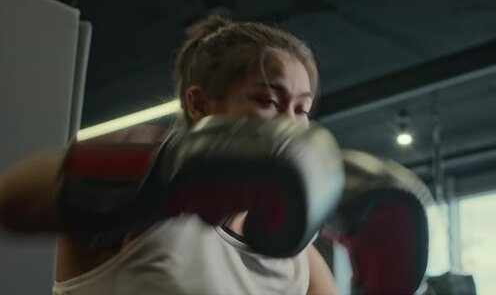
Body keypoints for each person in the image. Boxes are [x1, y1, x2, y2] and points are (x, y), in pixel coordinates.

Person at [0, 15, 338, 295]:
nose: (289, 124)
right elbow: (13, 197)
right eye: (269, 102)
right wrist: (177, 169)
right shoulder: (139, 205)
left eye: (302, 109)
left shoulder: (290, 246)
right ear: (200, 104)